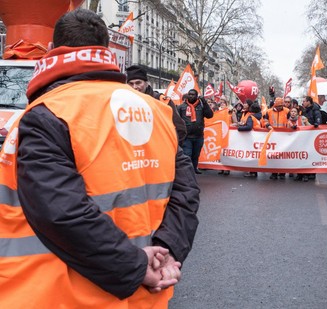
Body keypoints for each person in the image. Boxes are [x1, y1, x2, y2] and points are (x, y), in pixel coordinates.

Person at [0, 9, 200, 307]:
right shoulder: (159, 112)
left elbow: (61, 212)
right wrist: (167, 248)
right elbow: (186, 192)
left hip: (57, 295)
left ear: (53, 51)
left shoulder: (45, 116)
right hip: (145, 295)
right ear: (106, 51)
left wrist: (134, 267)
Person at [126, 64, 187, 148]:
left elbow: (180, 129)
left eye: (138, 83)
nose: (135, 87)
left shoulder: (163, 102)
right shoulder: (124, 103)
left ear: (147, 83)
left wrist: (171, 149)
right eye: (131, 84)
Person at [178, 88, 214, 174]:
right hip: (187, 136)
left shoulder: (201, 106)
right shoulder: (182, 107)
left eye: (193, 94)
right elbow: (177, 120)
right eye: (189, 94)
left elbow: (210, 115)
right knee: (188, 154)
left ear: (197, 96)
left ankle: (194, 168)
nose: (190, 96)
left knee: (196, 154)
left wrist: (204, 102)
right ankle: (187, 171)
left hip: (198, 136)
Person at [297, 96, 322, 182]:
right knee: (302, 155)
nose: (302, 103)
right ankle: (300, 173)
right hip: (303, 136)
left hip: (311, 136)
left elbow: (318, 123)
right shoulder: (303, 110)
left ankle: (307, 173)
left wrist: (313, 125)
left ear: (309, 102)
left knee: (309, 155)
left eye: (304, 101)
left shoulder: (315, 111)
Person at [265, 97, 290, 180]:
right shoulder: (269, 112)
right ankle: (274, 172)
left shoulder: (287, 111)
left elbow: (290, 121)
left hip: (284, 136)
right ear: (275, 105)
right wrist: (267, 125)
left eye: (281, 106)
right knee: (274, 156)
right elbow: (264, 120)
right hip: (273, 136)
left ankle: (282, 173)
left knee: (283, 155)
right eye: (279, 106)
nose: (280, 107)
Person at [237, 100, 262, 177]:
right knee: (254, 155)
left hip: (251, 138)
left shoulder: (251, 116)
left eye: (245, 103)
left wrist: (239, 128)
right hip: (254, 138)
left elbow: (249, 126)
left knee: (252, 155)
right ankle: (253, 171)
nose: (243, 104)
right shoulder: (256, 116)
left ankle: (253, 171)